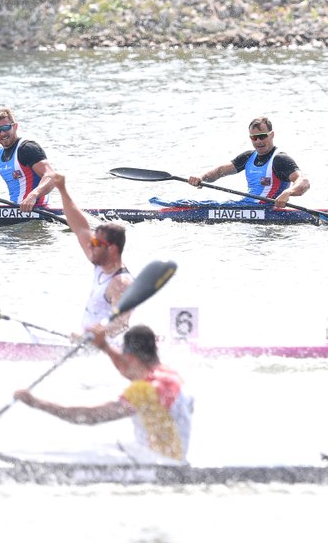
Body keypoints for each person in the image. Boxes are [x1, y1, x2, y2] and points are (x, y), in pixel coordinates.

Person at [14, 324, 194, 462]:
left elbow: (89, 417)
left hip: (155, 462)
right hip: (171, 457)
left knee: (81, 452)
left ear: (130, 357)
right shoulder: (171, 376)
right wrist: (104, 346)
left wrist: (36, 403)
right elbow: (127, 368)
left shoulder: (145, 389)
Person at [52, 173, 134, 335]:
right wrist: (62, 189)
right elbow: (80, 227)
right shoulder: (100, 263)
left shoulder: (121, 283)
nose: (90, 245)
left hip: (106, 349)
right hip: (86, 342)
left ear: (112, 249)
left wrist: (88, 338)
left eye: (96, 243)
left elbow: (121, 325)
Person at [186, 116, 310, 209]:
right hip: (245, 206)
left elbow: (304, 182)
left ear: (272, 135)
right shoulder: (248, 157)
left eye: (262, 136)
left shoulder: (280, 160)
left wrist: (288, 192)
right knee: (192, 204)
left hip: (268, 210)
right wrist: (201, 178)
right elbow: (219, 172)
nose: (258, 141)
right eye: (254, 138)